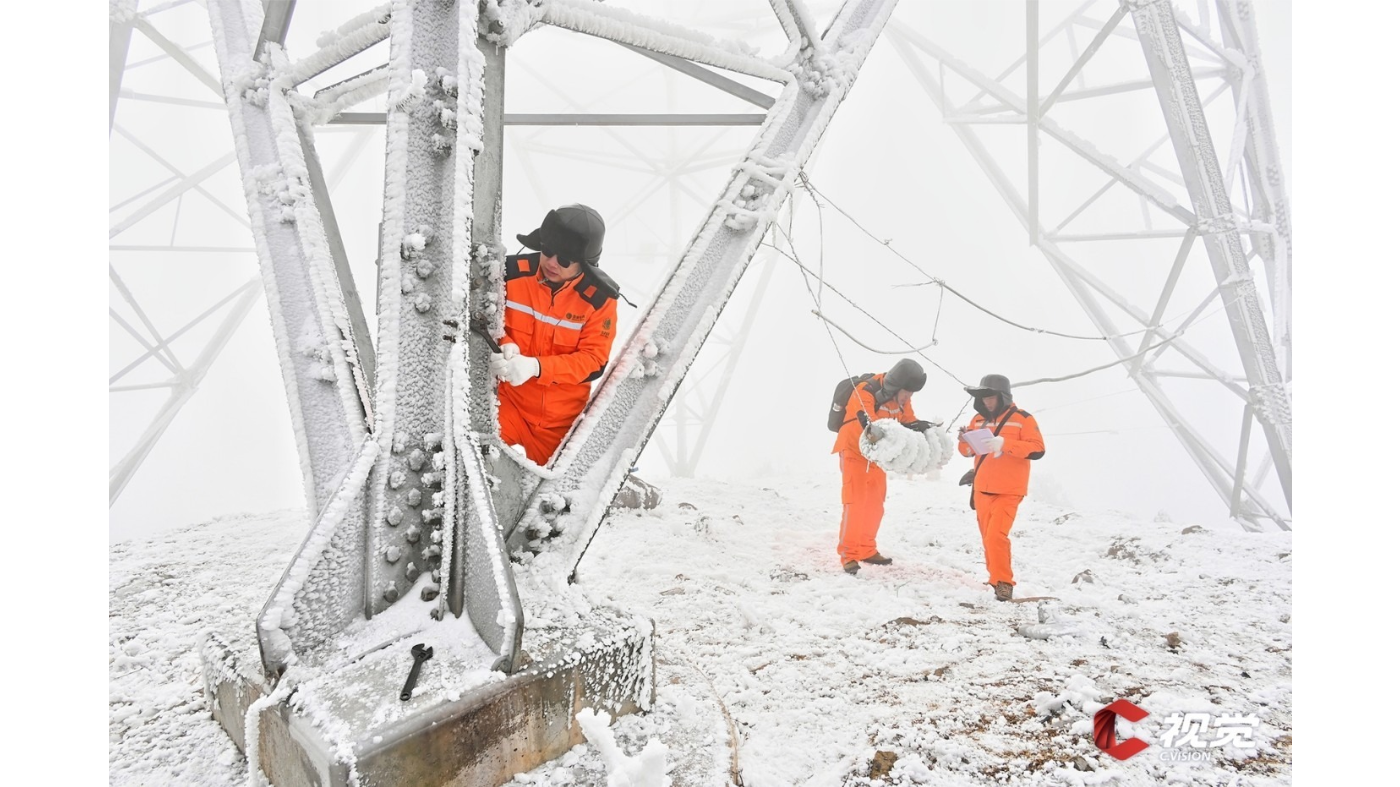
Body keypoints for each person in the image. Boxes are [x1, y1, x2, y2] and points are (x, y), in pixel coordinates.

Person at [490, 204, 620, 465]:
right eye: (547, 251)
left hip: (560, 424)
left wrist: (536, 367)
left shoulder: (600, 300)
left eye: (564, 260)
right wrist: (504, 344)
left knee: (563, 497)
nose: (551, 262)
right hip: (508, 406)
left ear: (585, 264)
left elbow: (594, 361)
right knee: (473, 446)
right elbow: (482, 318)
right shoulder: (507, 273)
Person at [831, 358, 927, 575]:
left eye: (912, 394)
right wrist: (875, 429)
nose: (908, 397)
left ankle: (867, 549)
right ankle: (849, 554)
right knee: (855, 502)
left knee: (875, 504)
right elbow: (870, 426)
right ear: (896, 384)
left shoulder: (901, 399)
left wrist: (922, 428)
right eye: (907, 392)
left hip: (878, 456)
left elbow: (908, 421)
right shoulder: (865, 391)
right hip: (855, 451)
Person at [957, 374, 1045, 601]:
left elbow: (1037, 449)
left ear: (1002, 396)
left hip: (1009, 491)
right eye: (983, 397)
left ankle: (1005, 582)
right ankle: (995, 579)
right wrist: (964, 440)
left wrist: (1005, 444)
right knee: (988, 538)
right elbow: (967, 453)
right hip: (982, 489)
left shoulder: (1023, 419)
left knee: (997, 536)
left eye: (991, 397)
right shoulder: (977, 420)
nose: (986, 402)